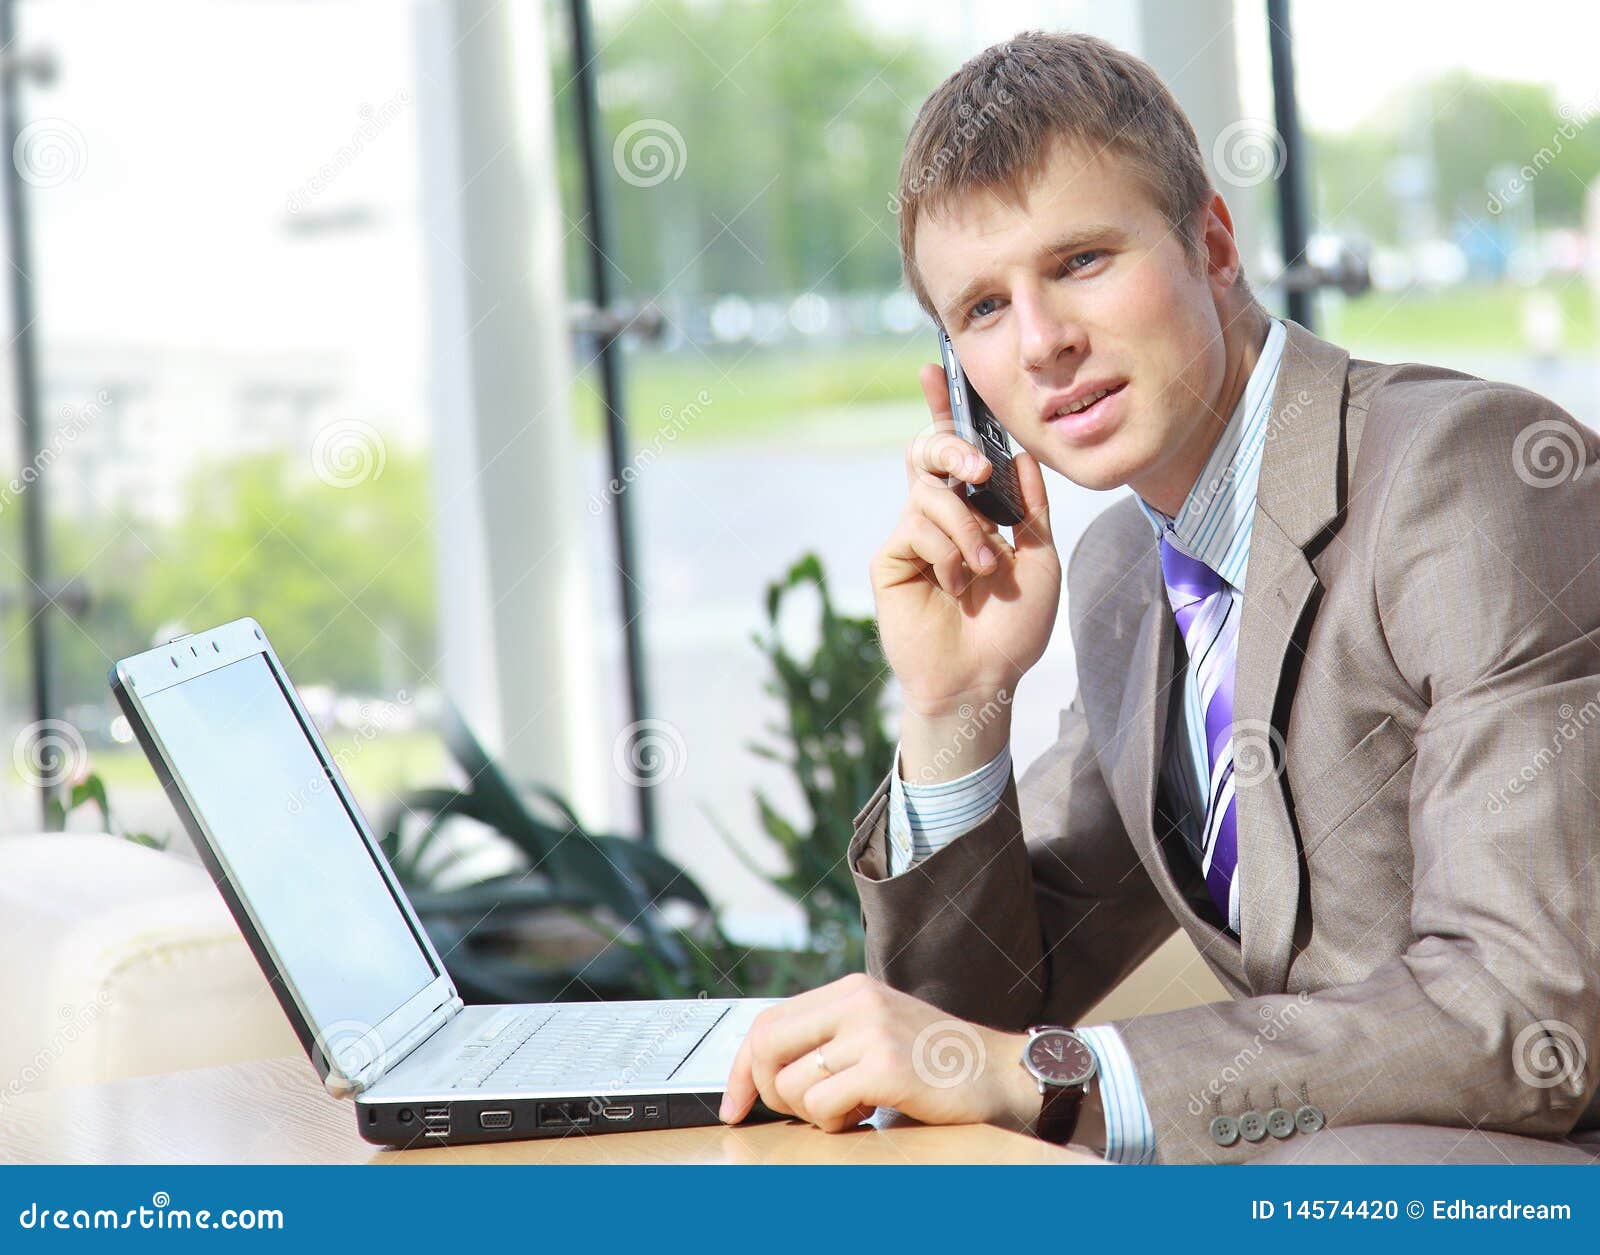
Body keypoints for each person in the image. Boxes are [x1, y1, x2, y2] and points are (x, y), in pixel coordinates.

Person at [720, 29, 1600, 1164]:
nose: (1042, 343)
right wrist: (957, 703)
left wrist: (1038, 1073)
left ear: (1213, 243)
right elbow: (974, 1030)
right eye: (982, 308)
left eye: (1080, 260)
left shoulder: (1467, 474)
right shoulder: (1129, 578)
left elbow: (1524, 1014)